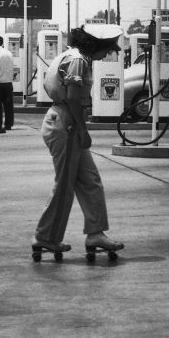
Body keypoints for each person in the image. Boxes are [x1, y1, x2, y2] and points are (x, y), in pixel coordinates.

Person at [33, 25, 125, 257]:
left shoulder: (72, 55)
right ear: (95, 46)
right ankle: (45, 237)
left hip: (66, 119)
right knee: (64, 185)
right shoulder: (78, 61)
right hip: (67, 122)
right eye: (106, 49)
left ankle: (95, 233)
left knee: (90, 180)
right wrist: (83, 129)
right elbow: (74, 98)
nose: (107, 54)